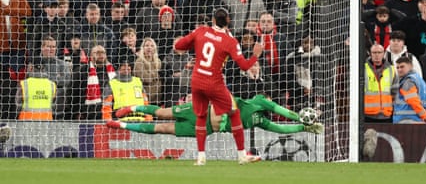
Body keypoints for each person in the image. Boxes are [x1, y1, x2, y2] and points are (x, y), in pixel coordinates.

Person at [174, 7, 263, 165]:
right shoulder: (230, 41)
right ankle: (242, 155)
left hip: (196, 80)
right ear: (228, 22)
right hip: (214, 82)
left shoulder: (200, 31)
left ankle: (201, 157)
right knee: (234, 112)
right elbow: (243, 66)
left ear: (213, 20)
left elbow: (179, 46)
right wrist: (255, 55)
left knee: (201, 116)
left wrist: (195, 43)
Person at [106, 94, 324, 137]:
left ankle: (121, 126)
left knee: (163, 129)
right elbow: (281, 111)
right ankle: (132, 108)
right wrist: (299, 117)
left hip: (205, 128)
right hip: (199, 110)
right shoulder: (259, 100)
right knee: (163, 112)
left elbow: (280, 127)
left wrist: (302, 127)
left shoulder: (261, 121)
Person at [102, 56, 152, 121]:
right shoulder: (112, 83)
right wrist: (107, 121)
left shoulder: (137, 81)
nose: (127, 67)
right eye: (123, 65)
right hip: (122, 121)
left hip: (141, 121)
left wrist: (149, 118)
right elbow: (106, 105)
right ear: (119, 68)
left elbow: (145, 102)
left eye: (128, 66)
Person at [393, 56, 426, 123]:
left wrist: (424, 116)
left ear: (411, 66)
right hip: (419, 120)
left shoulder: (408, 81)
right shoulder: (420, 81)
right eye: (397, 67)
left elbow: (413, 101)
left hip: (407, 120)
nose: (399, 70)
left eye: (402, 67)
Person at [364, 44, 399, 123]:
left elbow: (395, 92)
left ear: (384, 54)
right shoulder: (363, 68)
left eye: (379, 52)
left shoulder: (391, 69)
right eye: (374, 52)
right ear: (370, 53)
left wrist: (393, 109)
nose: (377, 55)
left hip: (386, 114)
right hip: (367, 114)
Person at [83, 44, 116, 120]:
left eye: (103, 52)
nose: (101, 55)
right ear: (91, 55)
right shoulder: (83, 70)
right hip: (90, 113)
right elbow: (75, 92)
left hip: (110, 112)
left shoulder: (113, 70)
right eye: (97, 53)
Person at [133, 37, 162, 107]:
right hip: (144, 97)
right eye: (147, 45)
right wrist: (156, 74)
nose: (149, 48)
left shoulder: (158, 61)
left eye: (152, 46)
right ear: (143, 48)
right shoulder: (139, 62)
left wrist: (153, 75)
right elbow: (146, 78)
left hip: (157, 97)